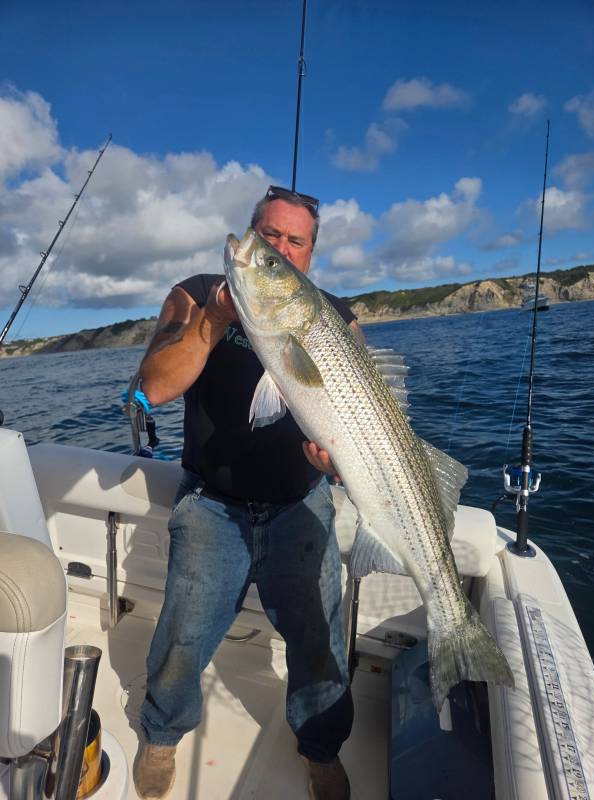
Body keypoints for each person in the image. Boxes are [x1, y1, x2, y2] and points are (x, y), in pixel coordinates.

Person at [133, 186, 364, 800]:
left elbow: (359, 418)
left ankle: (320, 748)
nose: (279, 249)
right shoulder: (197, 291)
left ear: (310, 255)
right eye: (268, 237)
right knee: (181, 638)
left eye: (295, 241)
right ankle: (160, 735)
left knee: (319, 643)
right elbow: (153, 387)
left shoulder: (338, 316)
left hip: (301, 503)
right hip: (212, 505)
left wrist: (337, 463)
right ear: (251, 233)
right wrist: (213, 321)